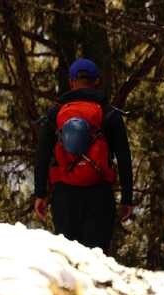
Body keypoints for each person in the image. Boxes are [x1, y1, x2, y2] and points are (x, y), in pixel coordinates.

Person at [34, 58, 134, 253]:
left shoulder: (55, 113)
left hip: (64, 196)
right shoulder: (109, 114)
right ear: (97, 81)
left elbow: (42, 155)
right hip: (99, 195)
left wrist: (40, 194)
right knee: (97, 260)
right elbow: (124, 157)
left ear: (71, 82)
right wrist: (127, 199)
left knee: (68, 260)